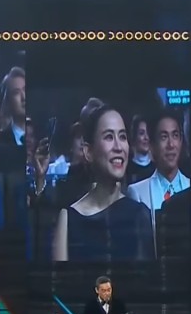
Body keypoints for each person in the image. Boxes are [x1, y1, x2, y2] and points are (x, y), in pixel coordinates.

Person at [52, 104, 154, 261]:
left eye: (122, 137)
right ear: (89, 152)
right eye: (109, 137)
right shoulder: (68, 219)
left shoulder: (140, 215)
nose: (118, 147)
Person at [127, 112, 190, 230]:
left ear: (181, 141)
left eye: (175, 135)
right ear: (152, 145)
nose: (171, 144)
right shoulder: (137, 193)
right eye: (164, 137)